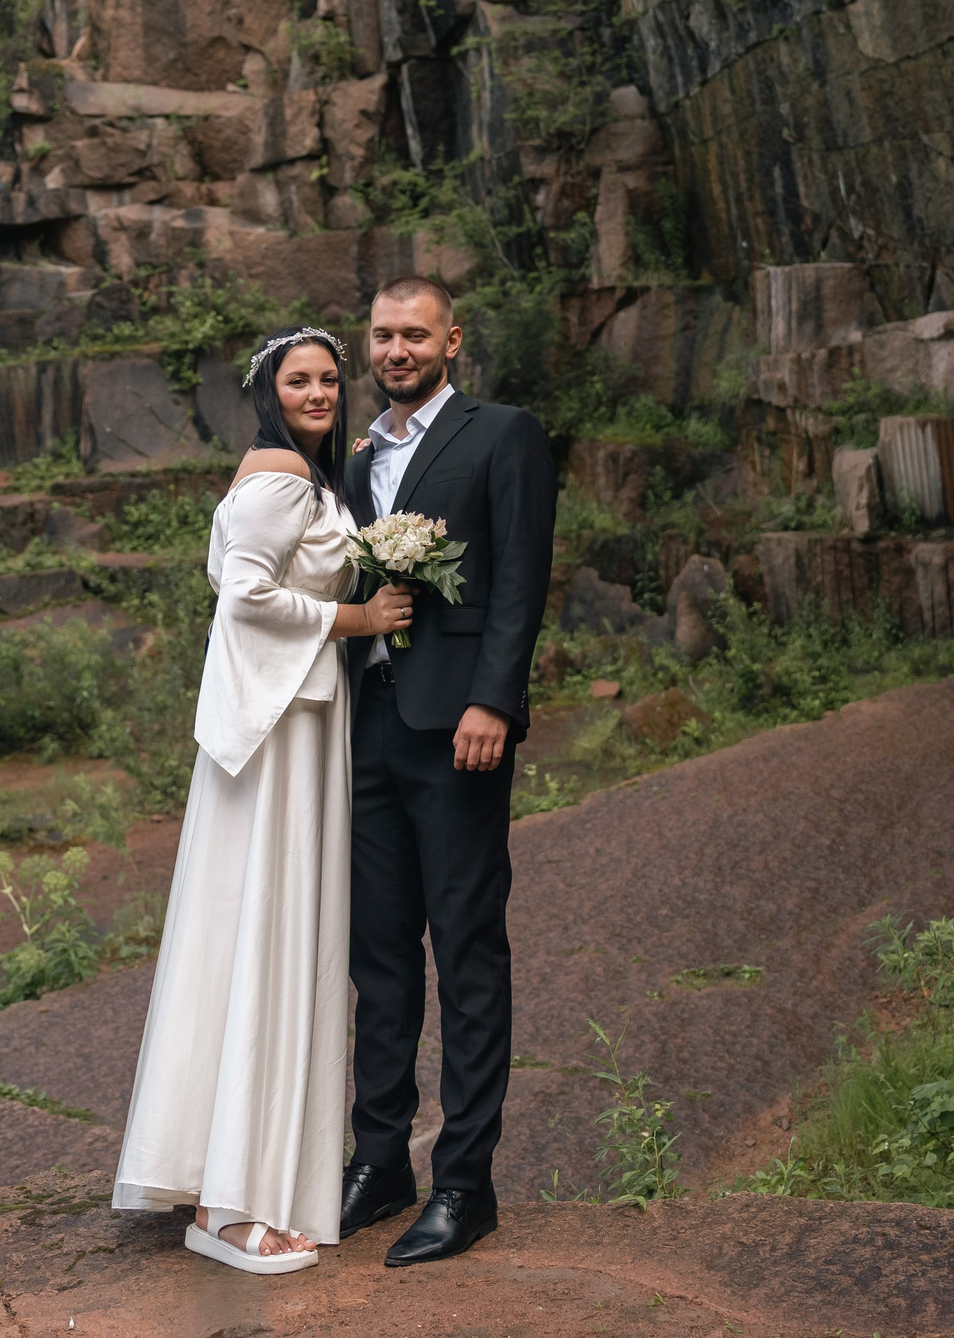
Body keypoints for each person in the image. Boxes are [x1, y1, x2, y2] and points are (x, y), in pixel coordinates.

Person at [111, 327, 415, 1276]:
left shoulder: (309, 474)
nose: (319, 391)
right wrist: (353, 615)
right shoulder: (278, 476)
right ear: (267, 391)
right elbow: (243, 593)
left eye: (330, 378)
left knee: (261, 933)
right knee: (261, 935)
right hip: (281, 730)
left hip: (301, 723)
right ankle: (229, 1204)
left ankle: (231, 1170)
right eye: (300, 379)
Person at [337, 275, 558, 1267]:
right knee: (377, 956)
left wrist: (493, 700)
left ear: (451, 341)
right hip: (368, 725)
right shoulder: (354, 461)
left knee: (466, 949)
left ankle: (464, 1183)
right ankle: (379, 1162)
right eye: (383, 335)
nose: (397, 349)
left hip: (457, 728)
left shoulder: (501, 433)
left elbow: (519, 572)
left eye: (414, 334)